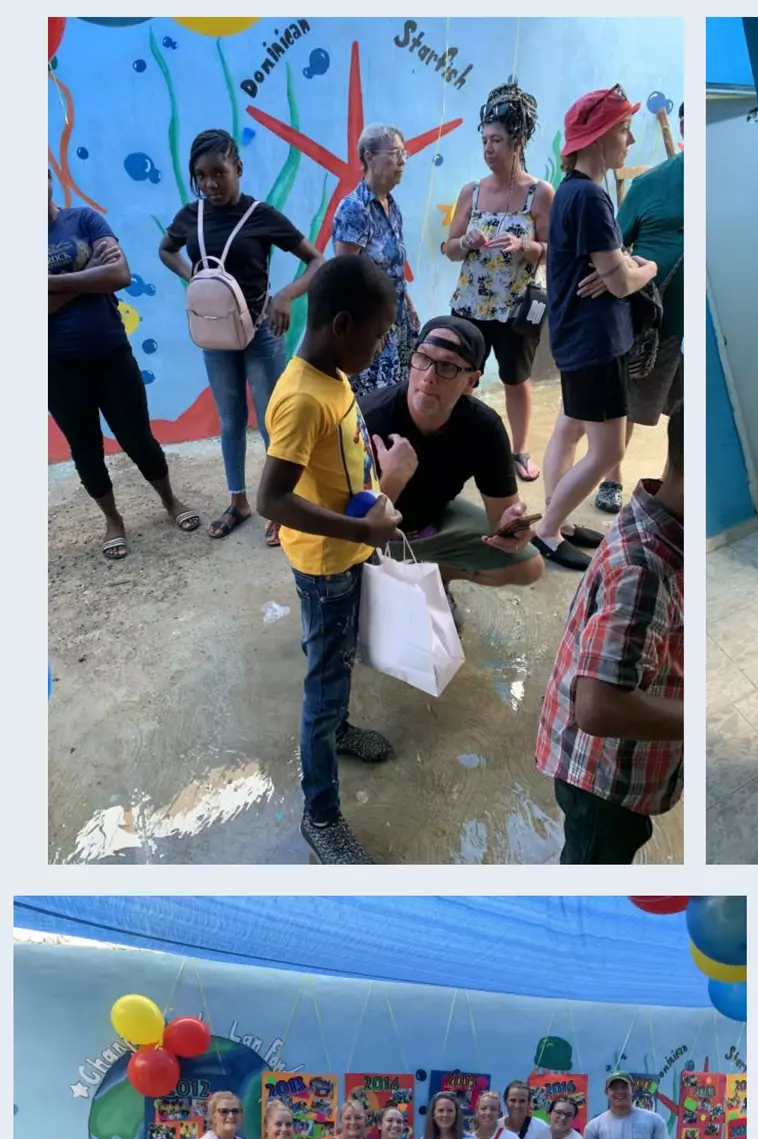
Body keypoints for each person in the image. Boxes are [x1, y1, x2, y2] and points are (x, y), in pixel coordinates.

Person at [256, 254, 403, 864]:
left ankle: (339, 728)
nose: (378, 348)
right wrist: (359, 526)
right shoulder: (302, 400)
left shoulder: (332, 377)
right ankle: (321, 816)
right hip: (325, 563)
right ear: (341, 326)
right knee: (322, 682)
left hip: (347, 549)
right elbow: (272, 497)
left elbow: (335, 459)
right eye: (375, 336)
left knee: (338, 656)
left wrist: (376, 479)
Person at [533, 406, 686, 864]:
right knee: (593, 873)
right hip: (603, 784)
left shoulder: (658, 519)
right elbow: (599, 706)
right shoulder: (643, 569)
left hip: (615, 773)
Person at [159, 128, 325, 543]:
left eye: (220, 172)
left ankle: (280, 503)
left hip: (261, 335)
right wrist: (191, 276)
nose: (211, 184)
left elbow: (316, 260)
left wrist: (286, 294)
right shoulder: (190, 217)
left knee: (274, 423)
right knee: (231, 421)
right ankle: (239, 502)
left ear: (239, 169)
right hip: (215, 338)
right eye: (202, 175)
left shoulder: (261, 216)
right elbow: (166, 249)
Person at [535, 88, 658, 572]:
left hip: (576, 338)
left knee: (568, 430)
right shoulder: (589, 196)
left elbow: (609, 271)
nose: (629, 139)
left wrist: (619, 267)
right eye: (623, 130)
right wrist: (642, 266)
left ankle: (556, 518)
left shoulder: (571, 191)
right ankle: (547, 530)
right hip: (595, 343)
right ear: (600, 138)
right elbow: (624, 281)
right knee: (607, 448)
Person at [49, 170, 198, 559]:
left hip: (111, 352)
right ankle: (113, 520)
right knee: (85, 449)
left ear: (46, 179)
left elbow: (119, 274)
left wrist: (53, 282)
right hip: (56, 366)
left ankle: (170, 502)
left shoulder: (83, 219)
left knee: (138, 439)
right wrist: (87, 276)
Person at [362, 315, 544, 626]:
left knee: (529, 566)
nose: (429, 376)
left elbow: (501, 518)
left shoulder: (483, 427)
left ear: (471, 380)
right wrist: (390, 482)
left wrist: (513, 528)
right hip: (372, 536)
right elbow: (344, 530)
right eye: (422, 359)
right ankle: (388, 579)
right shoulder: (369, 418)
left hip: (433, 523)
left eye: (447, 366)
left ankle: (430, 574)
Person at [444, 80, 553, 482]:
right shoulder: (471, 191)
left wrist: (528, 246)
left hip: (517, 306)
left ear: (518, 141)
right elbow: (449, 248)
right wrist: (465, 241)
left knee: (515, 379)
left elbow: (554, 249)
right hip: (470, 302)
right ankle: (456, 443)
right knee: (462, 376)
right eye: (485, 141)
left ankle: (519, 451)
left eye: (497, 141)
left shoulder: (539, 193)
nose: (488, 150)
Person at [593, 143, 687, 518]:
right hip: (652, 331)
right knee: (627, 406)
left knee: (687, 414)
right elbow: (613, 246)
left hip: (700, 333)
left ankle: (672, 487)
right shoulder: (650, 184)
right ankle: (611, 478)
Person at [333, 124, 421, 399]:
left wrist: (407, 303)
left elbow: (392, 268)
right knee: (374, 404)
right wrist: (369, 325)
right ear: (369, 156)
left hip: (397, 322)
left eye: (403, 154)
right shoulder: (354, 208)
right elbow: (346, 277)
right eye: (395, 153)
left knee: (399, 396)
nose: (402, 162)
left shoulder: (391, 205)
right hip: (371, 326)